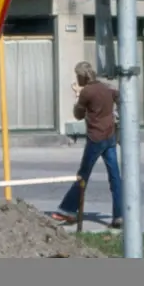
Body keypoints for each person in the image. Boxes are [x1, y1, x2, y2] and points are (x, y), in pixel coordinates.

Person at [51, 61, 122, 228]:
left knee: (83, 175)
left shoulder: (87, 92)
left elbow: (78, 115)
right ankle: (119, 215)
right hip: (110, 136)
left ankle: (68, 210)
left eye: (77, 75)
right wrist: (115, 115)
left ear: (82, 76)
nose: (77, 78)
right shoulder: (107, 88)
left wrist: (77, 95)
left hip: (95, 138)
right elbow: (119, 98)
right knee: (115, 177)